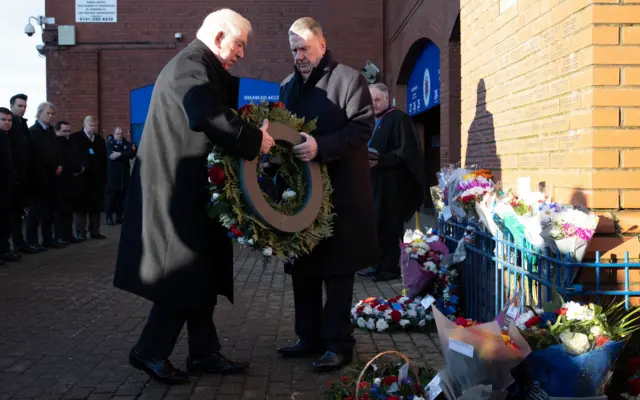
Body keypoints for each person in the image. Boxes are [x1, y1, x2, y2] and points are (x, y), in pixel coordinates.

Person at [113, 9, 275, 385]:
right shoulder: (190, 64)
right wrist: (255, 139)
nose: (241, 53)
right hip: (176, 194)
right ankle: (149, 351)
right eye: (238, 44)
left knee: (200, 273)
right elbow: (206, 112)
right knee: (183, 274)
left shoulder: (195, 64)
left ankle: (204, 352)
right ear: (219, 37)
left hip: (188, 192)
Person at [276, 17, 378, 372]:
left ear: (322, 43)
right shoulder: (287, 85)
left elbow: (362, 127)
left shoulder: (349, 80)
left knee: (337, 273)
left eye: (304, 47)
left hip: (341, 196)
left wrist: (322, 146)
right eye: (293, 50)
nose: (299, 55)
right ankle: (309, 337)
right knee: (302, 269)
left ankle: (339, 344)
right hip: (300, 196)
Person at [358, 83, 426, 281]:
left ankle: (390, 268)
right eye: (371, 101)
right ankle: (375, 264)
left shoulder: (399, 119)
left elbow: (407, 154)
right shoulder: (371, 121)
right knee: (374, 224)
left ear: (387, 99)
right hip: (373, 183)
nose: (375, 104)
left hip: (391, 186)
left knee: (388, 225)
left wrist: (380, 160)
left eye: (378, 100)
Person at [27, 102, 64, 250]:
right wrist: (53, 166)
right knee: (36, 211)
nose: (50, 116)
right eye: (47, 113)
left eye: (52, 114)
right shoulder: (33, 131)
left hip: (53, 177)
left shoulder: (50, 131)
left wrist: (60, 164)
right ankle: (32, 241)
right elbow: (38, 154)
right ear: (39, 113)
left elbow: (57, 151)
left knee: (50, 211)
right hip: (40, 177)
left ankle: (48, 240)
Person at [71, 116, 107, 240]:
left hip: (96, 180)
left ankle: (95, 231)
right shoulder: (76, 138)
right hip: (82, 178)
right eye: (90, 126)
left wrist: (104, 177)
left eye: (94, 126)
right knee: (81, 207)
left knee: (96, 207)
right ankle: (80, 232)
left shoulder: (100, 140)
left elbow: (103, 160)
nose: (93, 128)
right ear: (85, 124)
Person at [8, 94, 36, 255]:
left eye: (25, 106)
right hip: (13, 176)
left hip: (24, 175)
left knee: (18, 213)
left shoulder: (22, 124)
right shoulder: (11, 125)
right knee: (12, 214)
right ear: (12, 106)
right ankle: (13, 245)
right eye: (20, 106)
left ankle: (20, 243)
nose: (23, 109)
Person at [53, 121, 85, 244]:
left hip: (72, 181)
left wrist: (81, 168)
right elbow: (64, 161)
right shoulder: (56, 144)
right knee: (60, 211)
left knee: (69, 210)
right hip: (61, 183)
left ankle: (68, 234)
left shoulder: (72, 142)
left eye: (68, 131)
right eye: (64, 131)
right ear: (57, 131)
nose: (67, 134)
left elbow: (77, 157)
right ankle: (60, 236)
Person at [105, 126, 135, 225]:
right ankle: (108, 217)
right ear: (114, 135)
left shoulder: (127, 143)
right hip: (113, 176)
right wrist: (122, 155)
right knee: (111, 198)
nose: (120, 135)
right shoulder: (110, 143)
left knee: (121, 198)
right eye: (117, 133)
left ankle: (119, 217)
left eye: (121, 133)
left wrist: (120, 154)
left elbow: (131, 153)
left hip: (124, 175)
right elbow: (111, 156)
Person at [0, 108, 16, 266]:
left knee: (6, 222)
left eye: (9, 120)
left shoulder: (8, 137)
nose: (7, 123)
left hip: (7, 188)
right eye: (3, 119)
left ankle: (4, 250)